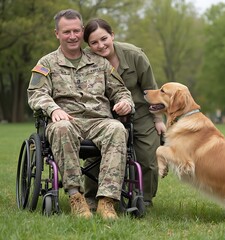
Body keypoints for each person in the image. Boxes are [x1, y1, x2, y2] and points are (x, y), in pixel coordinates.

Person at [27, 9, 134, 220]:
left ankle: (106, 202)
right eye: (67, 32)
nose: (73, 36)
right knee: (61, 128)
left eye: (76, 30)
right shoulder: (46, 63)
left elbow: (121, 91)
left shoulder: (100, 62)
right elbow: (35, 93)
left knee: (117, 129)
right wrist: (54, 109)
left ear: (82, 30)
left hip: (98, 120)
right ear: (57, 33)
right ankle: (76, 198)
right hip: (66, 119)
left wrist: (124, 102)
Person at [83, 18, 166, 208]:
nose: (101, 45)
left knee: (147, 157)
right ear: (88, 45)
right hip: (103, 114)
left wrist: (158, 119)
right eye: (94, 42)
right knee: (95, 152)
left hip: (140, 113)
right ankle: (93, 197)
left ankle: (144, 199)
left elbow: (151, 90)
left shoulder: (134, 55)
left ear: (112, 35)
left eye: (104, 38)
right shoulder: (86, 58)